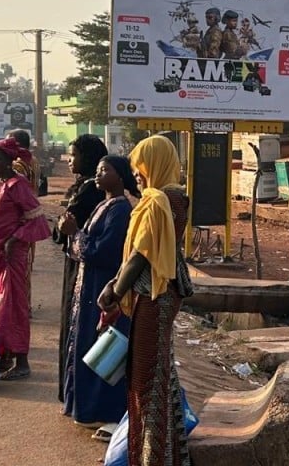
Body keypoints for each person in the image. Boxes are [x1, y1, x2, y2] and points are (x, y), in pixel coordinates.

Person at [98, 135, 192, 466]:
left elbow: (140, 254)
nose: (136, 173)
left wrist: (114, 292)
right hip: (162, 292)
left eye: (141, 166)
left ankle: (152, 457)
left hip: (155, 294)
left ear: (155, 164)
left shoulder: (158, 200)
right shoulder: (173, 197)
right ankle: (163, 453)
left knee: (147, 377)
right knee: (157, 371)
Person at [63, 155, 141, 429]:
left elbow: (102, 251)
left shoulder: (120, 210)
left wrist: (75, 234)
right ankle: (85, 407)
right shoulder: (104, 205)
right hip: (89, 285)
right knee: (88, 344)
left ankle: (103, 411)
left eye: (104, 170)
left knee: (101, 346)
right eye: (97, 170)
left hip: (102, 284)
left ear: (119, 176)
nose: (98, 175)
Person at [0, 137, 51, 380]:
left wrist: (14, 239)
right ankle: (4, 355)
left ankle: (22, 360)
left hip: (11, 257)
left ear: (9, 161)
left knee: (10, 308)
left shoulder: (16, 186)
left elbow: (37, 219)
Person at [54, 134, 108, 401]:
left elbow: (65, 227)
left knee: (79, 327)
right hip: (79, 259)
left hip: (83, 265)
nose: (70, 160)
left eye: (74, 155)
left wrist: (69, 232)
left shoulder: (90, 191)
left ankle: (76, 393)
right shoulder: (85, 187)